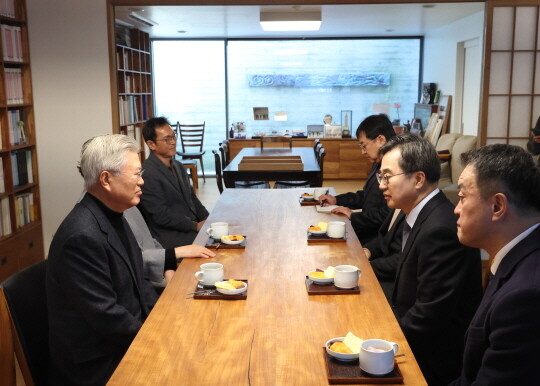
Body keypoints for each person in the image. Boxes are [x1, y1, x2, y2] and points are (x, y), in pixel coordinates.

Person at [47, 135, 158, 385]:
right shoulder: (81, 236)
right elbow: (107, 317)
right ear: (106, 179)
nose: (142, 182)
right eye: (136, 175)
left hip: (122, 340)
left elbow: (140, 281)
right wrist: (155, 338)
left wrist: (160, 321)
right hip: (97, 362)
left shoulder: (115, 213)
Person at [378, 134, 482, 386]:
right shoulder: (418, 213)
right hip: (414, 336)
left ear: (418, 179)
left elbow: (428, 317)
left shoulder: (440, 228)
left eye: (387, 176)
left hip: (432, 363)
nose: (381, 185)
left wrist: (379, 344)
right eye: (381, 177)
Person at [450, 144, 540, 386]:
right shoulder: (515, 255)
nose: (456, 209)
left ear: (497, 206)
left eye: (461, 197)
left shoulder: (525, 296)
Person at [318, 114, 395, 244]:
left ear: (381, 140)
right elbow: (366, 196)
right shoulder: (378, 162)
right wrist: (337, 199)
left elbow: (388, 214)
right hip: (366, 230)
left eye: (364, 146)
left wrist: (354, 216)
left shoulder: (395, 170)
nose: (363, 152)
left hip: (377, 240)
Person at [139, 116, 209, 248]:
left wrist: (208, 219)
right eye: (167, 139)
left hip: (188, 227)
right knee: (213, 246)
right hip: (170, 235)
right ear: (151, 144)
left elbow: (192, 198)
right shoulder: (148, 173)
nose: (172, 142)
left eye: (173, 136)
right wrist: (195, 226)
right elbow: (161, 215)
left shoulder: (178, 165)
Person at [123, 206, 215, 289]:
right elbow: (133, 260)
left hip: (161, 271)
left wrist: (168, 267)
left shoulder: (131, 208)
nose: (141, 185)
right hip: (148, 286)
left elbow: (151, 241)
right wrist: (175, 253)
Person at [361, 208, 405, 302]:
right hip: (384, 268)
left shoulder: (417, 213)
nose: (382, 192)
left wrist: (367, 267)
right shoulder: (399, 206)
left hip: (396, 283)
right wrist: (368, 250)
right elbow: (385, 239)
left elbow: (401, 260)